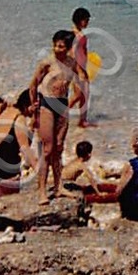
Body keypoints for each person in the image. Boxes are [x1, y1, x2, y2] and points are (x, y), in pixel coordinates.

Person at [29, 31, 79, 199]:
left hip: (62, 105)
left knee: (59, 147)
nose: (57, 49)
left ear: (69, 48)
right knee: (48, 150)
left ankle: (59, 186)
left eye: (61, 46)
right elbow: (33, 84)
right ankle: (42, 190)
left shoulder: (72, 63)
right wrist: (34, 107)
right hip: (47, 104)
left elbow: (80, 85)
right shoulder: (47, 63)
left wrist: (73, 102)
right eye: (55, 45)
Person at [0, 93, 36, 197]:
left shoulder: (7, 110)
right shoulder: (19, 118)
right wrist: (39, 171)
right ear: (27, 105)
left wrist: (33, 123)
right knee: (7, 201)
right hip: (2, 168)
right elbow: (25, 148)